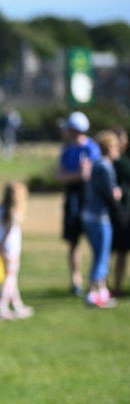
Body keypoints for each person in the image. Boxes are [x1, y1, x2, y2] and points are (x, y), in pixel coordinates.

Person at [56, 112, 101, 296]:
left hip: (90, 199)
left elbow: (92, 176)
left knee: (95, 242)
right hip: (72, 200)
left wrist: (74, 176)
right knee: (74, 242)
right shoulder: (67, 150)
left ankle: (95, 280)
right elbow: (60, 176)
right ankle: (76, 281)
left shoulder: (92, 148)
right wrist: (76, 176)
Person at [81, 130, 121, 309]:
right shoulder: (104, 167)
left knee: (100, 255)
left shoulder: (97, 165)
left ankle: (101, 291)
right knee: (101, 256)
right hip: (99, 217)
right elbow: (108, 193)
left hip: (91, 215)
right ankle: (93, 292)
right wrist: (116, 196)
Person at [0, 182, 33, 319]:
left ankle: (18, 306)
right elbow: (9, 231)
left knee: (11, 278)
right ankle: (2, 307)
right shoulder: (14, 212)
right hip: (10, 249)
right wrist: (0, 244)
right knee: (10, 278)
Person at [110, 129, 130, 297]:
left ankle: (115, 286)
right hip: (119, 212)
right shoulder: (111, 163)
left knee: (121, 251)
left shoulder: (123, 161)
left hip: (124, 211)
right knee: (118, 251)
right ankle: (112, 286)